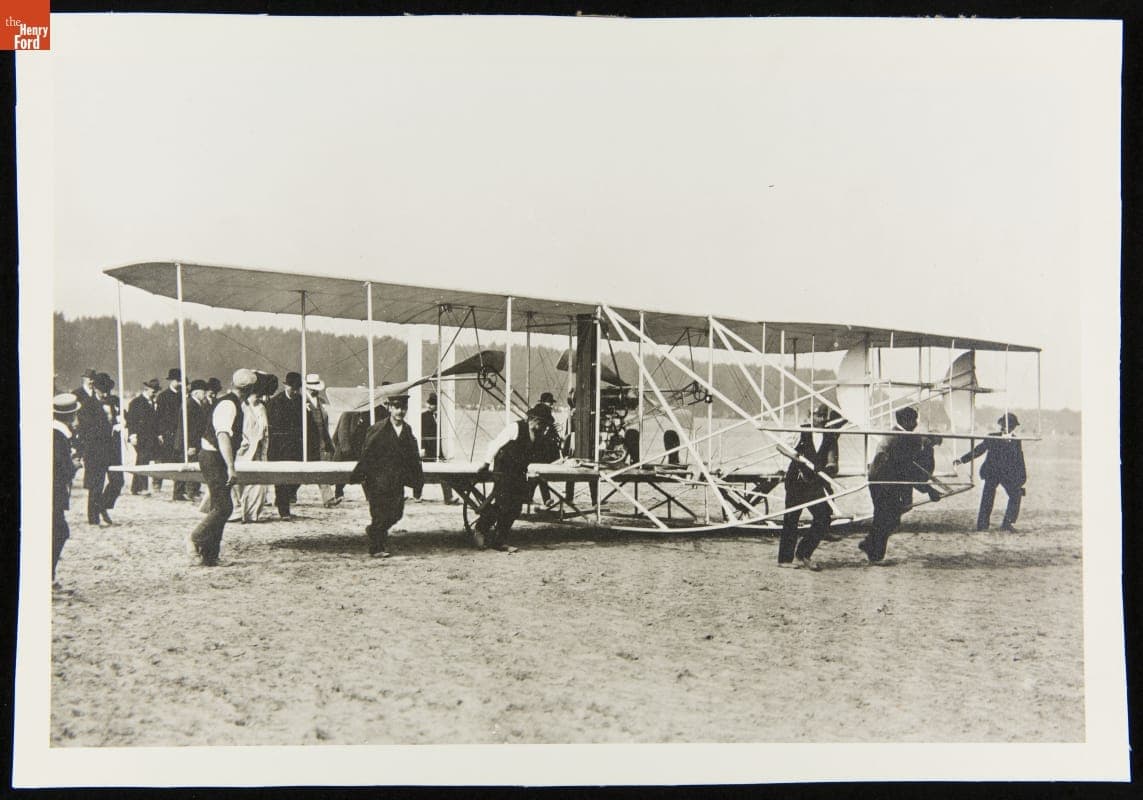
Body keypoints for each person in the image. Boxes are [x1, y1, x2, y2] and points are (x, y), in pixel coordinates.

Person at [187, 369, 259, 566]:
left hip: (215, 456)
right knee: (224, 507)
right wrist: (230, 467)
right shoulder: (228, 404)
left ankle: (209, 557)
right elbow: (222, 436)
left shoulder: (233, 402)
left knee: (221, 506)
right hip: (212, 457)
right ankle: (195, 538)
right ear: (249, 388)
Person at [858, 407, 938, 564]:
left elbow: (908, 467)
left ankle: (869, 545)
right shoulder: (898, 438)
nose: (915, 424)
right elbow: (908, 468)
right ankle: (875, 555)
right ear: (905, 421)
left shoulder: (901, 436)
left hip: (885, 479)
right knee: (885, 517)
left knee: (889, 518)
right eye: (913, 420)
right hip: (883, 481)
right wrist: (928, 489)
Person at [471, 403, 556, 551]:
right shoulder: (515, 428)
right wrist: (486, 464)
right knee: (502, 505)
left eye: (544, 424)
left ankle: (499, 541)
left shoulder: (538, 435)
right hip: (503, 471)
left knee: (515, 508)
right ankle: (480, 530)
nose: (542, 427)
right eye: (541, 423)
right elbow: (495, 444)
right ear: (533, 419)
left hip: (518, 473)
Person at [349, 394, 424, 558]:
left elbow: (413, 456)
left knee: (396, 513)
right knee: (379, 513)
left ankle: (373, 531)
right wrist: (363, 478)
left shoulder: (407, 429)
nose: (400, 411)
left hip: (397, 480)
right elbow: (366, 454)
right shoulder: (378, 429)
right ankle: (376, 548)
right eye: (396, 407)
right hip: (378, 480)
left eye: (403, 408)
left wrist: (417, 482)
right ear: (389, 408)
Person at [777, 404, 839, 570]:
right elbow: (780, 446)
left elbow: (832, 460)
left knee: (824, 516)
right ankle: (785, 560)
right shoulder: (801, 431)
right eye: (818, 415)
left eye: (824, 416)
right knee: (792, 518)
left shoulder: (830, 436)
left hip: (814, 482)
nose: (821, 419)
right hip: (796, 480)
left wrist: (829, 468)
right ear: (811, 416)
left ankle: (803, 553)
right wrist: (796, 457)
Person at [955, 413, 1027, 532]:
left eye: (1011, 425)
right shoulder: (992, 437)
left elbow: (1020, 459)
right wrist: (962, 460)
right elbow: (979, 450)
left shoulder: (1016, 440)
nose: (1008, 427)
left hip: (1007, 475)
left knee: (1016, 495)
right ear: (1001, 424)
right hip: (992, 472)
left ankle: (1007, 523)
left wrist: (1022, 477)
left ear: (1014, 427)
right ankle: (982, 525)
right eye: (1005, 424)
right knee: (987, 498)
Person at [75, 372, 117, 526]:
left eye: (106, 388)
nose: (105, 391)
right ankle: (94, 519)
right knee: (96, 485)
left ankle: (102, 506)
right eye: (102, 388)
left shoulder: (112, 402)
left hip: (111, 448)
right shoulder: (88, 405)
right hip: (94, 449)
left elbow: (116, 418)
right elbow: (86, 429)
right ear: (96, 389)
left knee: (117, 481)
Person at [231, 371, 273, 523]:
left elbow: (265, 430)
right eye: (256, 395)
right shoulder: (241, 406)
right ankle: (236, 509)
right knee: (237, 481)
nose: (258, 398)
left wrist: (263, 445)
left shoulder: (261, 408)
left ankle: (251, 512)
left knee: (257, 482)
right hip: (242, 449)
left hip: (258, 450)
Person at [267, 371, 304, 519]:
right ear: (285, 385)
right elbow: (272, 426)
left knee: (297, 476)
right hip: (279, 447)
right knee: (281, 479)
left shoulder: (300, 400)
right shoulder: (275, 402)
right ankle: (284, 511)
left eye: (297, 388)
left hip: (296, 445)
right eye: (292, 387)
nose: (294, 391)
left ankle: (284, 499)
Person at [332, 401, 387, 501]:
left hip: (359, 448)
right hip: (346, 450)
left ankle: (369, 496)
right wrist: (346, 449)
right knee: (343, 473)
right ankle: (338, 492)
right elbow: (342, 432)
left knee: (365, 472)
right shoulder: (348, 412)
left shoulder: (369, 412)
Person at [52, 393, 80, 580]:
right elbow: (62, 468)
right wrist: (75, 465)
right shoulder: (58, 436)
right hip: (54, 493)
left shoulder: (56, 433)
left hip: (52, 493)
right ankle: (48, 577)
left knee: (58, 531)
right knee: (60, 532)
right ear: (70, 416)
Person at [414, 392, 457, 504]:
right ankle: (417, 495)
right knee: (420, 472)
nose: (429, 406)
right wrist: (422, 448)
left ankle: (448, 497)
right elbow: (420, 433)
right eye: (429, 403)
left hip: (437, 450)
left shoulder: (442, 417)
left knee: (444, 473)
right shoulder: (423, 416)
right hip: (427, 449)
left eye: (432, 404)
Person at [304, 373, 339, 508]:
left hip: (322, 439)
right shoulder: (302, 401)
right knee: (305, 468)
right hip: (309, 440)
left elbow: (325, 421)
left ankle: (328, 498)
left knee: (322, 468)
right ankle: (289, 494)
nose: (315, 390)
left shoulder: (321, 402)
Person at [155, 368, 187, 500]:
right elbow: (159, 417)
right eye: (178, 381)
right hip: (167, 433)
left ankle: (178, 492)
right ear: (172, 381)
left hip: (179, 432)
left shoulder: (182, 396)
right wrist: (160, 433)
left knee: (180, 460)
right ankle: (157, 484)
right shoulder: (163, 396)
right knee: (164, 459)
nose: (180, 383)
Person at [125, 378, 160, 494]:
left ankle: (138, 487)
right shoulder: (136, 402)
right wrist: (132, 435)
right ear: (147, 389)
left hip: (150, 437)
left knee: (143, 460)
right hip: (140, 437)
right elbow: (131, 420)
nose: (155, 393)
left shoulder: (152, 402)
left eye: (156, 391)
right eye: (153, 391)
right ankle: (140, 488)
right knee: (142, 460)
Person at [180, 379, 211, 502]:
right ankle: (190, 491)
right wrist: (190, 445)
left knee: (196, 464)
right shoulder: (190, 404)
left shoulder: (197, 404)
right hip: (191, 441)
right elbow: (188, 427)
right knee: (192, 465)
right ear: (197, 393)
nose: (205, 394)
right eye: (203, 392)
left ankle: (194, 490)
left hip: (197, 440)